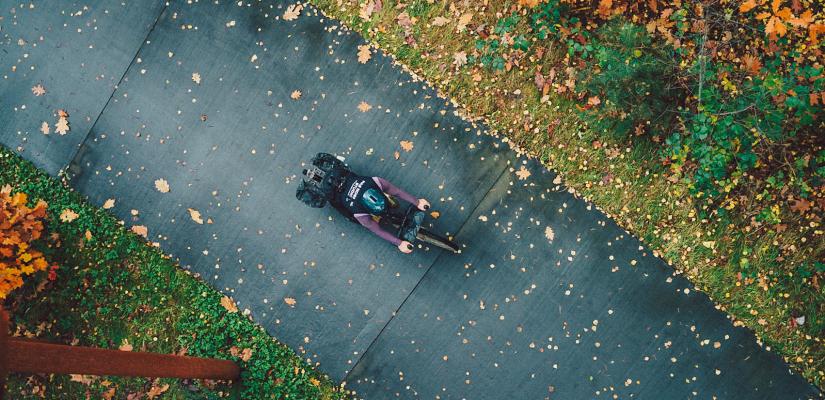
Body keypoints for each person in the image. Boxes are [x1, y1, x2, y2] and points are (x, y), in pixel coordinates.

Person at [297, 154, 430, 253]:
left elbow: (395, 191)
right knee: (352, 218)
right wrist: (398, 242)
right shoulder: (359, 212)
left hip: (349, 181)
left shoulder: (376, 182)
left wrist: (417, 202)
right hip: (339, 196)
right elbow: (375, 228)